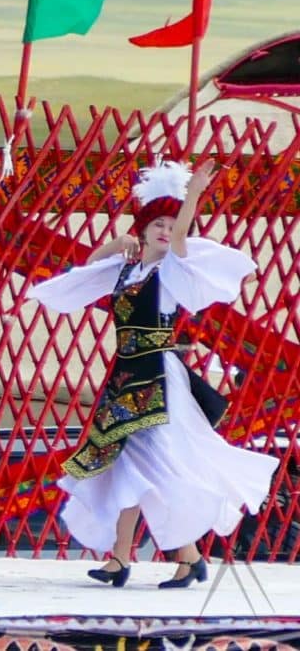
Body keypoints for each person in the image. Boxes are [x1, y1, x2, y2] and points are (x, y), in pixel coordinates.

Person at [27, 159, 278, 588]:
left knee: (161, 463)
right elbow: (88, 268)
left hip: (159, 377)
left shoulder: (171, 270)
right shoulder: (128, 271)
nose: (164, 231)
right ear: (142, 231)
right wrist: (115, 243)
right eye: (156, 224)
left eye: (169, 223)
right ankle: (127, 560)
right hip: (126, 374)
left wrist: (194, 195)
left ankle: (182, 555)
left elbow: (181, 238)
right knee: (122, 464)